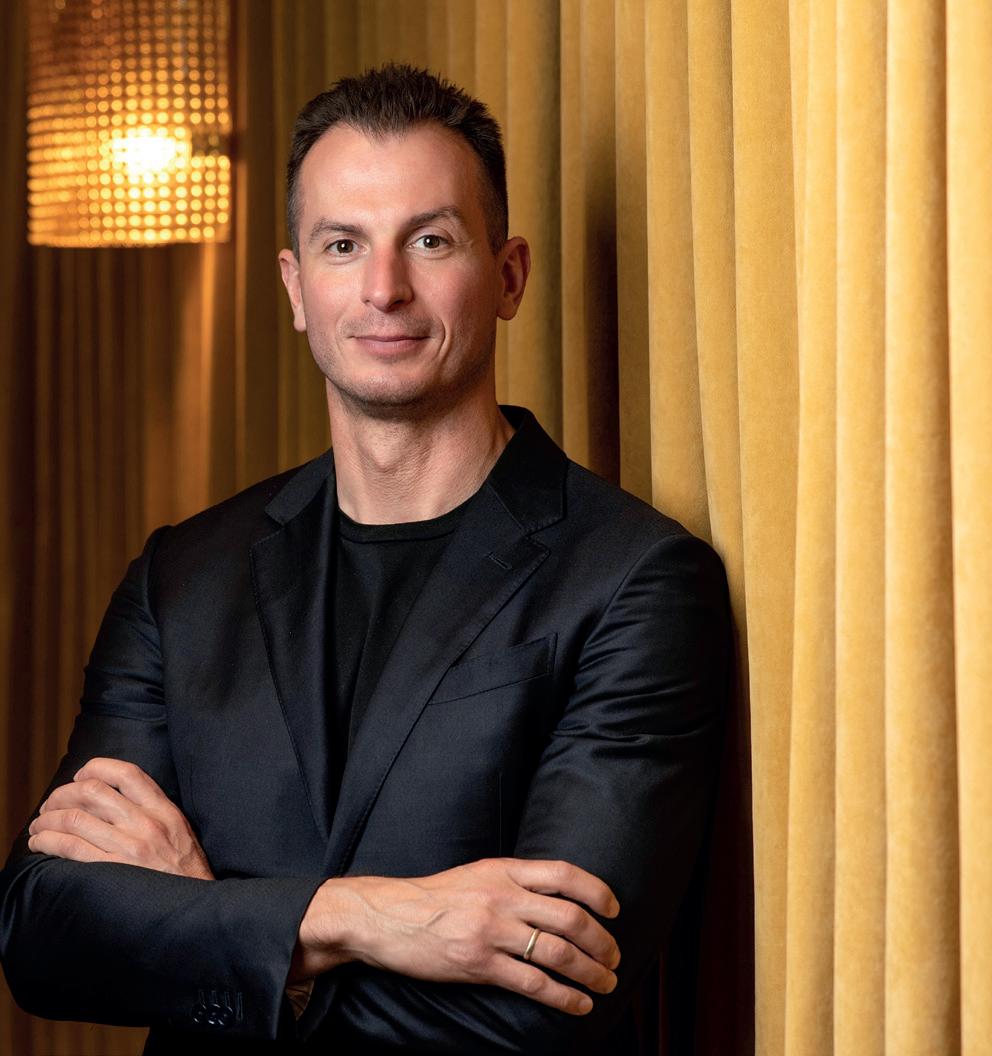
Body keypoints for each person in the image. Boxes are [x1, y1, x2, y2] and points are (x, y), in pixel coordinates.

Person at [0, 65, 729, 1053]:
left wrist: (215, 923)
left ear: (509, 277)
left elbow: (539, 1003)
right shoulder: (184, 578)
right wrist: (366, 919)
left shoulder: (635, 581)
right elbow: (41, 932)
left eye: (431, 241)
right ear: (296, 287)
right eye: (343, 245)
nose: (385, 289)